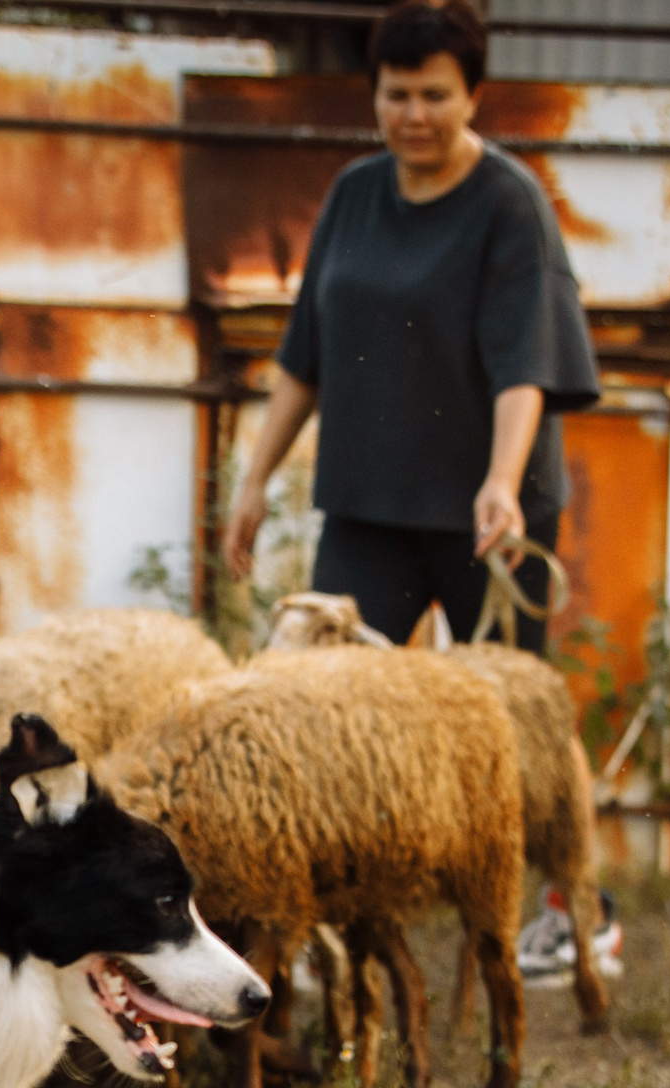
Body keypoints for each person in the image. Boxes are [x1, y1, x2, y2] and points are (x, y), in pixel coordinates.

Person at [221, 0, 598, 655]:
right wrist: (254, 482)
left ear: (473, 96)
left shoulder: (511, 204)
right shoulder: (352, 194)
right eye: (397, 95)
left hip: (486, 516)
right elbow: (304, 354)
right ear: (374, 97)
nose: (415, 115)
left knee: (501, 715)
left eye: (435, 95)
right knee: (331, 699)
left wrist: (503, 484)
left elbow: (525, 364)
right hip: (368, 507)